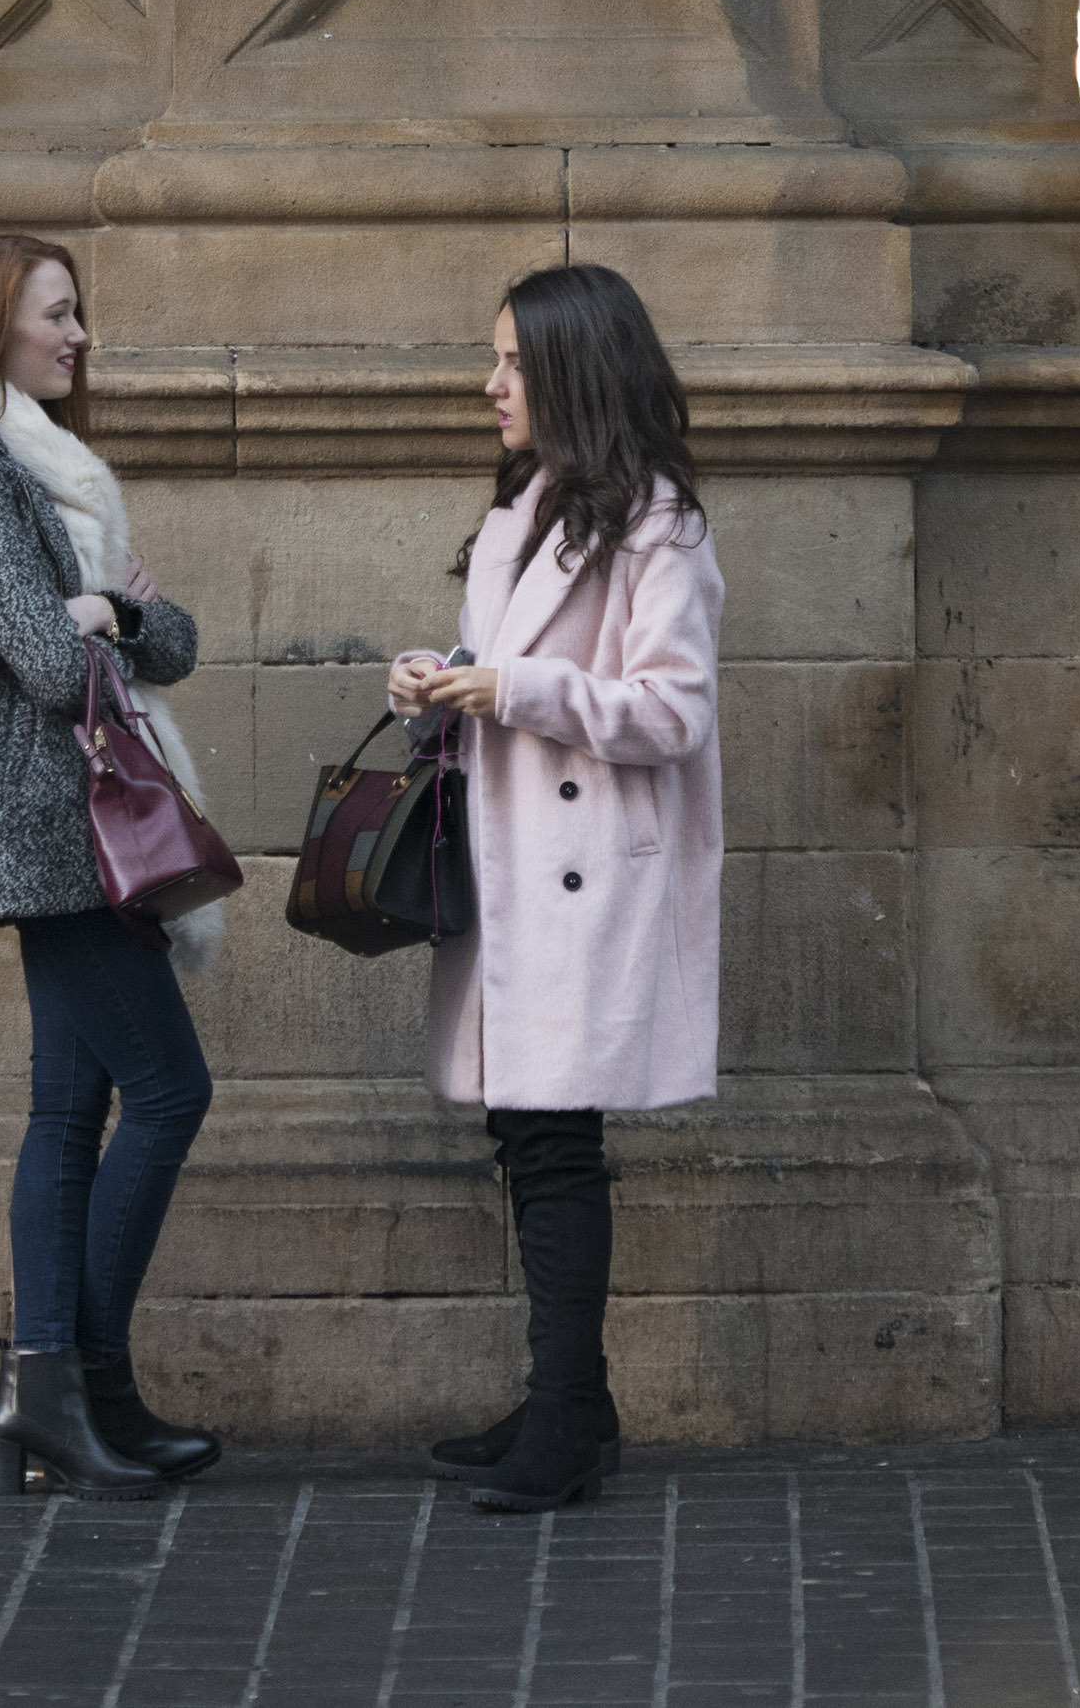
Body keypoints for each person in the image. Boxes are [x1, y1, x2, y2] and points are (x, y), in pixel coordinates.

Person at [0, 231, 211, 1502]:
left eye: (78, 314)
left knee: (71, 1115)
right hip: (47, 829)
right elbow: (48, 662)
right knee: (169, 1093)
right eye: (54, 316)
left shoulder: (36, 469)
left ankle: (71, 1400)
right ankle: (64, 1382)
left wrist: (112, 613)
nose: (77, 336)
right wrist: (90, 621)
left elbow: (158, 638)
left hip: (79, 825)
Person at [388, 262, 720, 1515]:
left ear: (574, 371)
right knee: (527, 1137)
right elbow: (503, 667)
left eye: (513, 364)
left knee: (554, 1144)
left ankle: (567, 1420)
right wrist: (442, 679)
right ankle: (568, 1403)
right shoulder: (526, 509)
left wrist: (512, 691)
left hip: (586, 882)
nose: (490, 386)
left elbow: (673, 711)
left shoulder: (659, 526)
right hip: (512, 865)